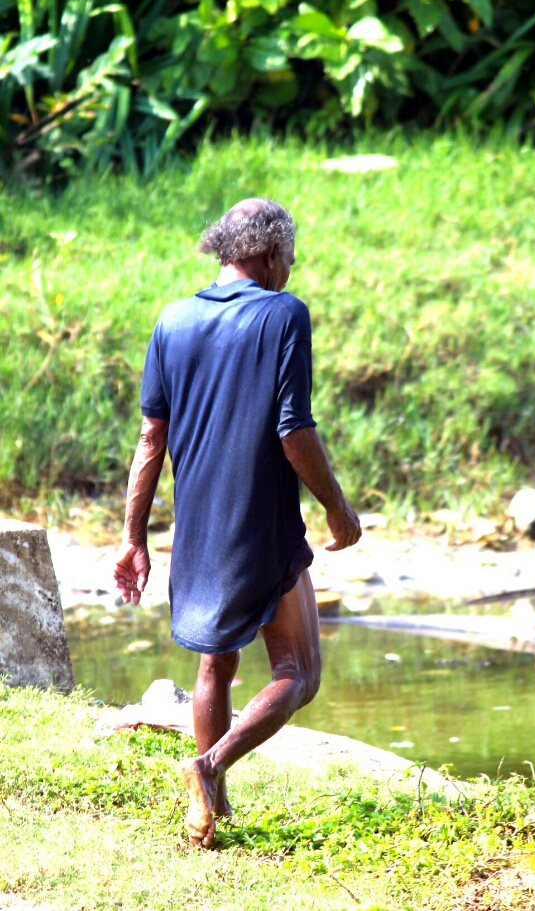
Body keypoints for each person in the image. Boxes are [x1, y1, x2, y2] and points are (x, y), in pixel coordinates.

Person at [113, 198, 361, 848]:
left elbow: (151, 438)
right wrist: (336, 506)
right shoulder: (284, 314)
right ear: (270, 253)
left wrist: (133, 538)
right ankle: (209, 765)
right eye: (291, 257)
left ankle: (212, 814)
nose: (292, 268)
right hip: (263, 523)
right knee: (298, 672)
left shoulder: (173, 320)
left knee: (215, 667)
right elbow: (294, 430)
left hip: (198, 525)